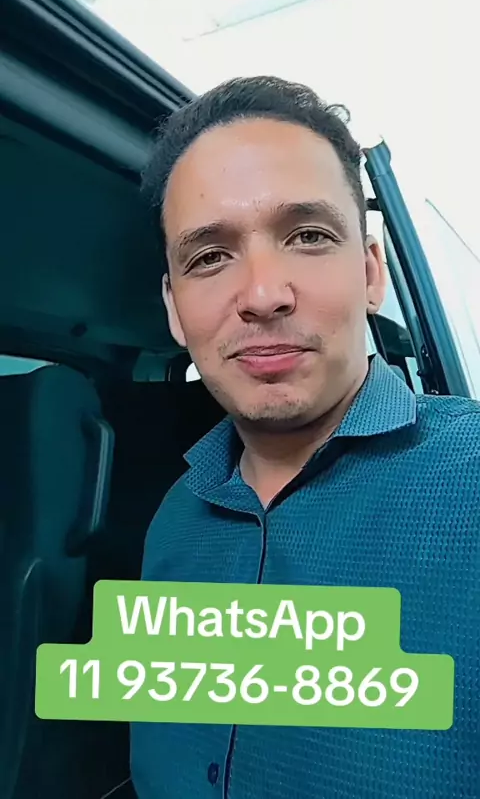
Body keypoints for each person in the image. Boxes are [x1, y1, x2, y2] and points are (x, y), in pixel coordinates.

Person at [130, 76, 480, 799]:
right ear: (173, 309)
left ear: (371, 271)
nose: (263, 295)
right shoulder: (172, 521)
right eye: (209, 256)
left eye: (308, 237)